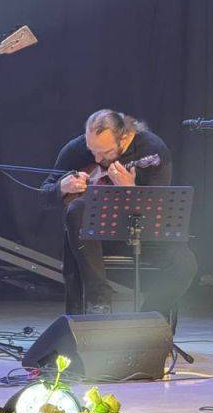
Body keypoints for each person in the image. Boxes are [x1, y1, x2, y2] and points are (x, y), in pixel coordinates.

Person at [40, 109, 197, 317]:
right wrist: (62, 187)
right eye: (92, 150)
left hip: (143, 234)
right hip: (93, 240)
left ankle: (149, 316)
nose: (96, 157)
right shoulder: (78, 148)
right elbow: (43, 194)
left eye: (105, 152)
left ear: (123, 137)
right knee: (76, 210)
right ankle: (99, 301)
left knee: (185, 264)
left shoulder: (153, 149)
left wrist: (131, 190)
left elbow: (159, 209)